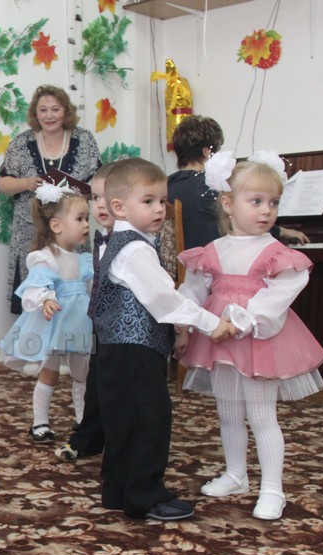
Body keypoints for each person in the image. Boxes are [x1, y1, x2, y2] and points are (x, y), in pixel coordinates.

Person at [177, 151, 323, 521]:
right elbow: (192, 291)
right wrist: (184, 324)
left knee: (261, 415)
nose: (266, 211)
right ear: (228, 204)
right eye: (256, 201)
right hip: (219, 342)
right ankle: (236, 474)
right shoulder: (212, 251)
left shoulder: (276, 252)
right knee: (228, 411)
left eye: (273, 203)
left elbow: (280, 295)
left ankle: (273, 489)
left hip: (259, 342)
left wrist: (243, 320)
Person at [92, 158, 234, 521]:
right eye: (148, 201)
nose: (160, 209)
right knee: (150, 420)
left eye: (162, 201)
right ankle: (144, 494)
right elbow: (163, 299)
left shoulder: (120, 242)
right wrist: (209, 322)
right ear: (119, 206)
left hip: (117, 348)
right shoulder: (136, 249)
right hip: (136, 351)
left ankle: (118, 489)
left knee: (123, 419)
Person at [0, 181, 93, 443]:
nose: (87, 224)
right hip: (55, 324)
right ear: (56, 225)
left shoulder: (84, 259)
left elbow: (88, 289)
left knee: (82, 374)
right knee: (49, 373)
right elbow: (36, 285)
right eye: (80, 219)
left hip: (79, 323)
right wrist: (45, 300)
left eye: (87, 218)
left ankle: (83, 419)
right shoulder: (45, 257)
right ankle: (40, 422)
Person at [0, 85, 102, 313]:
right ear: (35, 114)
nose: (49, 115)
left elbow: (98, 182)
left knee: (75, 291)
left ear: (66, 111)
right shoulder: (21, 142)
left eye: (55, 109)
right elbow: (2, 183)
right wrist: (26, 183)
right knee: (37, 292)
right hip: (30, 231)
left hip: (72, 231)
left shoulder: (84, 140)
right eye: (43, 110)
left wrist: (79, 191)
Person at [168, 115, 308, 247]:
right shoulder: (207, 186)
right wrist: (283, 231)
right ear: (207, 152)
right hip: (217, 260)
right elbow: (243, 219)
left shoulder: (167, 184)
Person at [54, 162, 115, 461]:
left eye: (107, 198)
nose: (99, 206)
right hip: (96, 323)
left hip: (121, 326)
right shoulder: (96, 242)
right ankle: (88, 434)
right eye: (96, 198)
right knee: (93, 380)